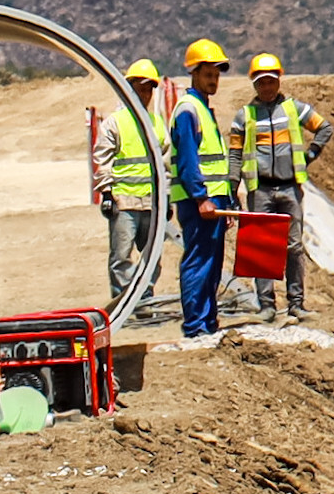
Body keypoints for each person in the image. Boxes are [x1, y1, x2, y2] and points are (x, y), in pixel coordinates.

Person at [230, 53, 332, 322]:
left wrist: (311, 155)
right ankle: (267, 306)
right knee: (262, 247)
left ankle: (296, 303)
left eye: (271, 81)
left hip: (289, 188)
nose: (266, 87)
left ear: (278, 81)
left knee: (293, 247)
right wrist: (232, 184)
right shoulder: (245, 116)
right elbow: (235, 154)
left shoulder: (293, 109)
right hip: (260, 188)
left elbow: (324, 128)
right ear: (255, 83)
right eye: (261, 82)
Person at [169, 39, 237, 338]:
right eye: (209, 74)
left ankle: (208, 322)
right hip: (199, 201)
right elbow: (187, 160)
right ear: (194, 73)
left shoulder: (203, 109)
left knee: (212, 262)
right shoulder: (188, 109)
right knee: (199, 260)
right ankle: (195, 326)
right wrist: (202, 198)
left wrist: (227, 201)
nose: (214, 80)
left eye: (217, 75)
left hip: (214, 200)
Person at [99, 59, 166, 306]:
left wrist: (165, 197)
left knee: (152, 256)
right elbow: (103, 159)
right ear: (129, 89)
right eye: (141, 88)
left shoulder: (157, 123)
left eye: (149, 89)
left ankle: (144, 301)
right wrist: (106, 194)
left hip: (151, 203)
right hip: (124, 201)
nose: (145, 94)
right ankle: (124, 304)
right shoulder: (115, 123)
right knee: (121, 257)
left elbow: (166, 164)